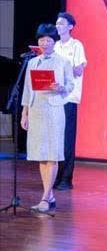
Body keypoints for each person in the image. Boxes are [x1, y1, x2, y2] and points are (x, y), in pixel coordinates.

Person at [20, 24, 74, 212]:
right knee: (41, 154)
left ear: (54, 41)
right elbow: (27, 89)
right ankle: (49, 195)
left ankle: (45, 198)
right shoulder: (33, 62)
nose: (44, 43)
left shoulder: (63, 61)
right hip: (36, 111)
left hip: (53, 112)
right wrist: (25, 113)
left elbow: (71, 86)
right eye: (41, 40)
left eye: (48, 40)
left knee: (52, 154)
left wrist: (61, 88)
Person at [53, 12, 87, 190]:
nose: (57, 26)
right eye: (57, 23)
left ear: (70, 27)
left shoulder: (76, 45)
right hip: (54, 97)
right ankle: (55, 177)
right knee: (56, 139)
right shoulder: (55, 46)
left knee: (67, 139)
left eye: (61, 23)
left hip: (69, 97)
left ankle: (66, 178)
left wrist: (62, 70)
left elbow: (78, 70)